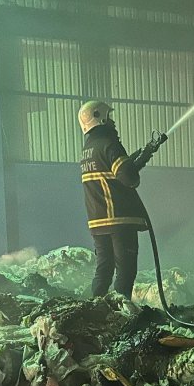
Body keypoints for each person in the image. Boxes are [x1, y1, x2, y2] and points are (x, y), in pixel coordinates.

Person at [77, 100, 163, 300]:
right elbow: (129, 178)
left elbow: (116, 171)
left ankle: (95, 309)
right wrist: (145, 156)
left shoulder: (89, 149)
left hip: (98, 221)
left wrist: (142, 154)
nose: (113, 122)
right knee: (125, 270)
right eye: (110, 117)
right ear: (100, 117)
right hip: (118, 219)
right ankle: (121, 312)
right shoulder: (109, 144)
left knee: (104, 269)